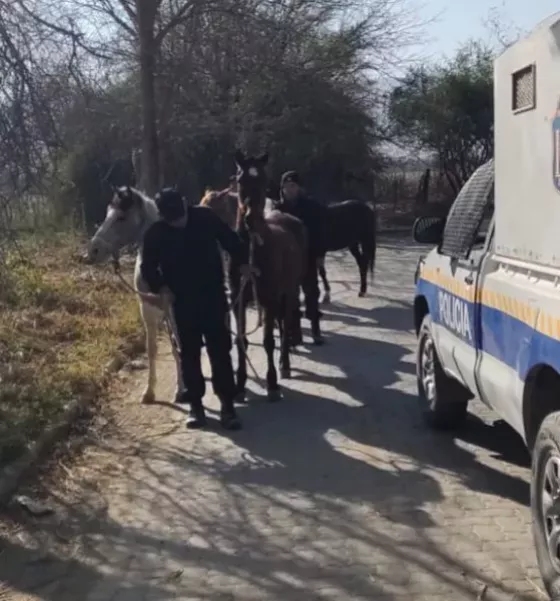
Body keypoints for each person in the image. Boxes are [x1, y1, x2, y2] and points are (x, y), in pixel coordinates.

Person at [140, 187, 253, 431]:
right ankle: (196, 406)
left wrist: (243, 263)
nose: (178, 222)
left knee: (220, 351)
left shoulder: (205, 217)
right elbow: (148, 267)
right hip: (182, 303)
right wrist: (161, 287)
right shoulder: (155, 234)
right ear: (162, 216)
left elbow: (232, 240)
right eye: (172, 219)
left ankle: (227, 406)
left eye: (180, 215)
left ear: (185, 202)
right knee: (189, 353)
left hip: (213, 297)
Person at [276, 170, 327, 345]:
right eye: (286, 187)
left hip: (307, 256)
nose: (289, 190)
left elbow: (320, 232)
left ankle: (315, 329)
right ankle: (293, 332)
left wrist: (320, 254)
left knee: (311, 292)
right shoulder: (278, 209)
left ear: (299, 188)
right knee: (290, 296)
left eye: (292, 186)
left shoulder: (311, 207)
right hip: (285, 262)